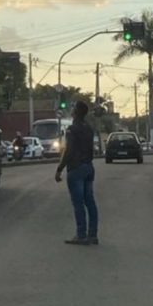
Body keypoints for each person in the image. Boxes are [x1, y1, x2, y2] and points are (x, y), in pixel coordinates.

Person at [54, 100, 98, 245]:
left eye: (73, 108)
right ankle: (92, 234)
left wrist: (60, 169)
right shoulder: (89, 129)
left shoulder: (72, 130)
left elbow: (69, 151)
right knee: (90, 201)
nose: (71, 109)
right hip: (88, 167)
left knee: (78, 203)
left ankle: (81, 235)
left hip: (76, 169)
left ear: (76, 112)